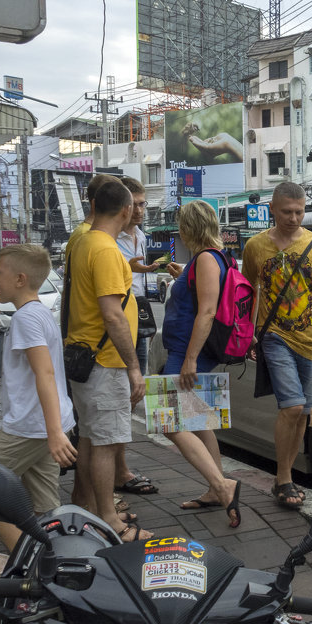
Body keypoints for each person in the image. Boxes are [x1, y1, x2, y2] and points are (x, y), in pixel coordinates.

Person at [241, 181, 312, 508]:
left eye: (299, 211)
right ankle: (284, 477)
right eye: (287, 211)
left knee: (303, 412)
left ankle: (285, 473)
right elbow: (246, 293)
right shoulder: (255, 246)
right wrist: (248, 330)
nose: (293, 218)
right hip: (274, 335)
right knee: (290, 406)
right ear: (272, 209)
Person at [65, 178, 150, 542]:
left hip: (84, 357)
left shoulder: (82, 241)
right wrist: (133, 367)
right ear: (127, 209)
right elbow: (113, 315)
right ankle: (108, 521)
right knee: (105, 444)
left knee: (90, 439)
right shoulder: (105, 250)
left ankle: (84, 508)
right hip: (106, 361)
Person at [0, 245, 78, 550]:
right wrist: (55, 430)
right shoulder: (39, 313)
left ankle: (27, 557)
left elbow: (44, 374)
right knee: (45, 508)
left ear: (20, 279)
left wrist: (54, 433)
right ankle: (54, 558)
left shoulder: (26, 319)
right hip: (48, 424)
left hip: (34, 428)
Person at [162, 200, 242, 528]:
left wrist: (190, 359)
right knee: (198, 420)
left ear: (188, 228)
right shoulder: (206, 259)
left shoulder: (207, 259)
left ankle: (224, 485)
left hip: (188, 353)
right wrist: (184, 275)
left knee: (169, 422)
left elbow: (207, 311)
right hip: (188, 351)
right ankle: (215, 487)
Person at [117, 177, 160, 375]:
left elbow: (139, 282)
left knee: (140, 376)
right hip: (117, 315)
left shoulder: (141, 236)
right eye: (133, 205)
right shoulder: (110, 237)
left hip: (139, 313)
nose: (139, 210)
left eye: (142, 204)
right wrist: (128, 268)